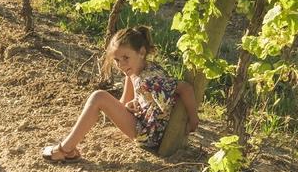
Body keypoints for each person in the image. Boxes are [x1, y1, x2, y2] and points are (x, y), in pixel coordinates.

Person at [43, 26, 199, 161]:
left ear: (142, 52)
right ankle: (67, 149)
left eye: (125, 58)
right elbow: (124, 103)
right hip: (145, 126)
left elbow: (186, 88)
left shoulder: (152, 78)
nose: (121, 64)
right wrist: (132, 106)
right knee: (99, 97)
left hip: (150, 136)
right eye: (117, 60)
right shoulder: (135, 71)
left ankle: (64, 150)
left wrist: (193, 119)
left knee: (98, 97)